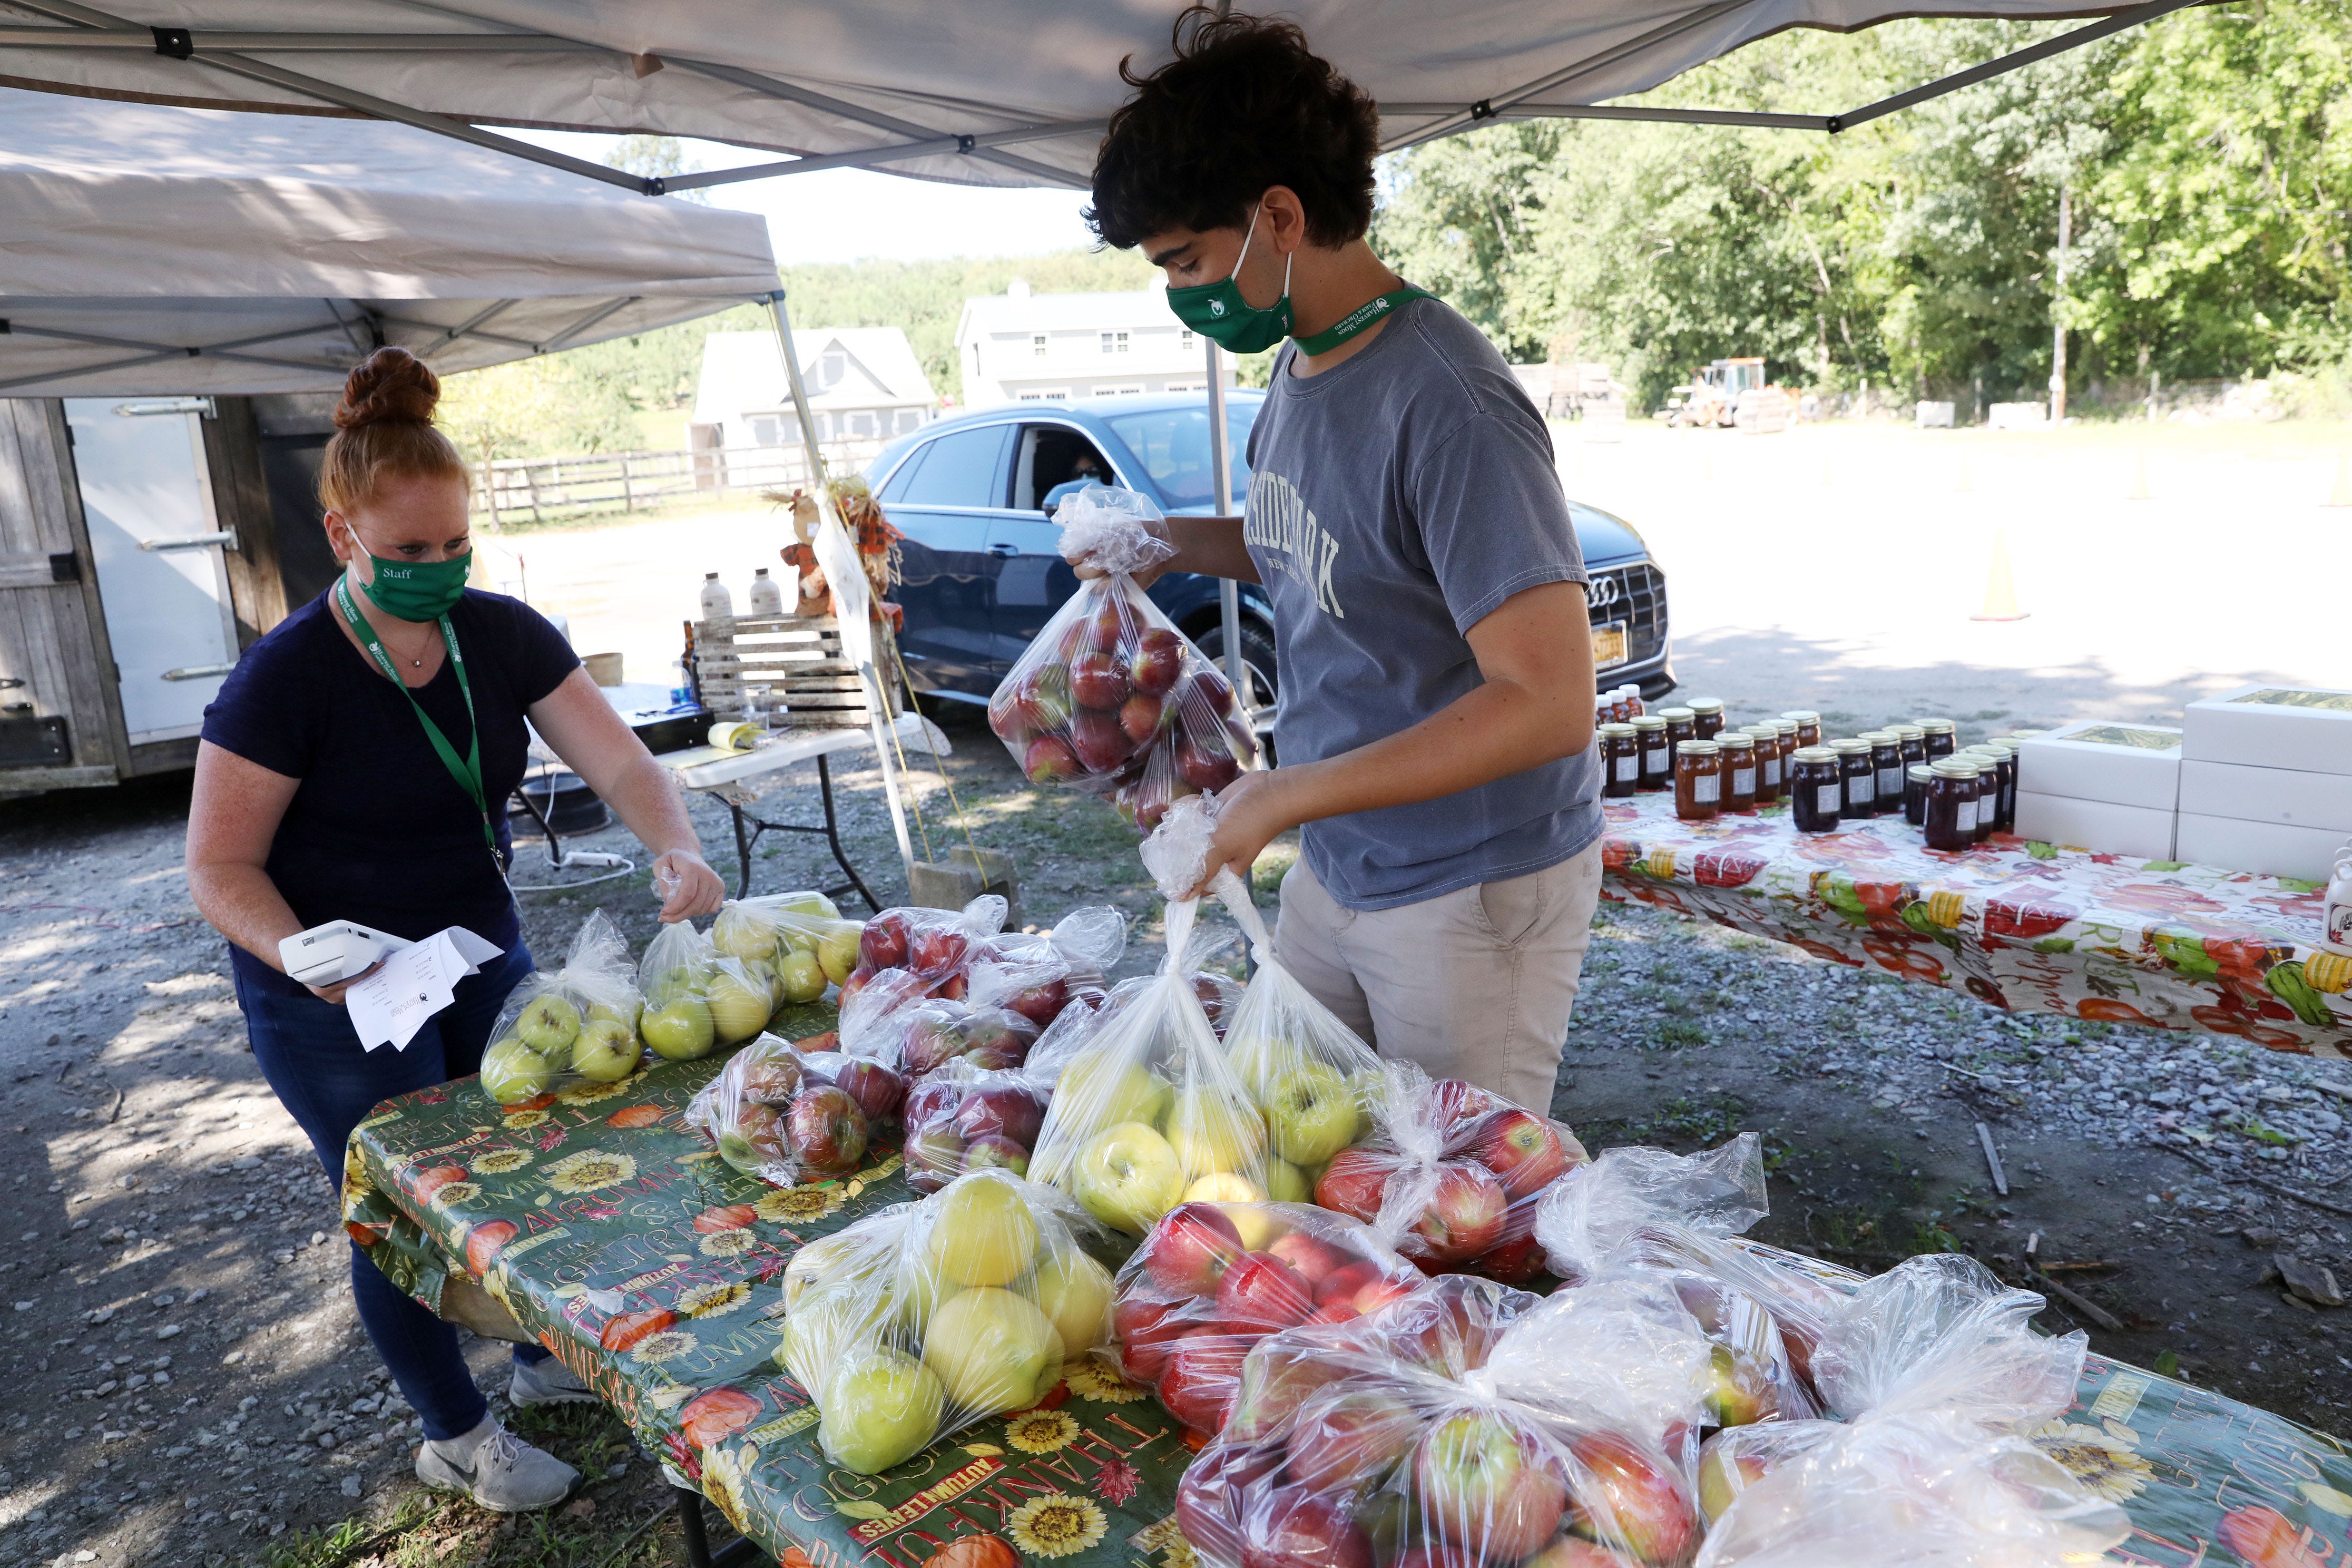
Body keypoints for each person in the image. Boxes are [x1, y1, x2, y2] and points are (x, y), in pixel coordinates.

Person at [185, 348, 727, 1513]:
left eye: (453, 547)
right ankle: (454, 1430)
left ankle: (537, 1363)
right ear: (343, 538)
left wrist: (674, 846)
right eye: (407, 554)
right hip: (333, 994)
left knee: (541, 1171)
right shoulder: (284, 679)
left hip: (476, 957)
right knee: (404, 1218)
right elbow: (218, 865)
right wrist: (294, 952)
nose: (437, 571)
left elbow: (621, 758)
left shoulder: (498, 632)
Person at [1076, 11, 1604, 1116]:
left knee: (1458, 1212)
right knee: (1301, 1148)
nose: (1181, 296)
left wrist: (1285, 792)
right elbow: (1313, 558)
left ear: (1279, 215)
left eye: (1186, 262)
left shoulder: (1448, 402)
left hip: (1470, 887)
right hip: (1342, 862)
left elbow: (1550, 701)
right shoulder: (1305, 370)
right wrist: (1159, 544)